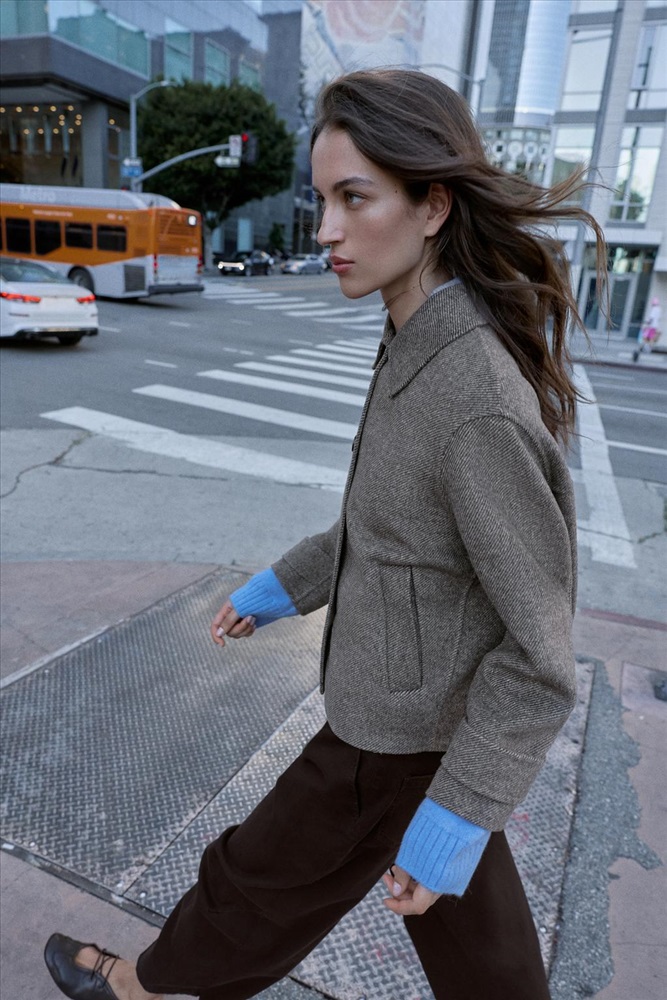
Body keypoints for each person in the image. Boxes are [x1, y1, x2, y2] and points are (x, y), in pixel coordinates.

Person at [44, 68, 606, 1000]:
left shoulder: (470, 395)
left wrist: (460, 811)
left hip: (391, 742)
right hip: (418, 724)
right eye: (322, 201)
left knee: (252, 883)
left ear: (432, 206)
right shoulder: (414, 340)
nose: (325, 231)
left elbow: (541, 652)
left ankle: (138, 988)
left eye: (354, 198)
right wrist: (281, 588)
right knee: (485, 963)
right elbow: (391, 527)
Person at [633, 296, 662, 361]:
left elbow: (651, 318)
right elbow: (658, 318)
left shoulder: (654, 309)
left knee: (646, 337)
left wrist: (647, 323)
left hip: (651, 326)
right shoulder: (659, 309)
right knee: (651, 338)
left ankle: (646, 348)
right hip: (655, 326)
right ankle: (648, 349)